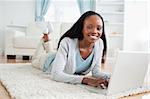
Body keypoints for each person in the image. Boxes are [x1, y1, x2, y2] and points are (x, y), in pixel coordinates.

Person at [31, 11, 110, 88]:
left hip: (58, 56)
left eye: (99, 28)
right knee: (35, 60)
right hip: (47, 62)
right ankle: (45, 38)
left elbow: (96, 72)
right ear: (82, 28)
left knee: (53, 52)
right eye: (89, 27)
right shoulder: (67, 42)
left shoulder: (99, 44)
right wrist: (86, 80)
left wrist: (111, 77)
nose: (94, 31)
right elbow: (56, 74)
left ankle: (47, 40)